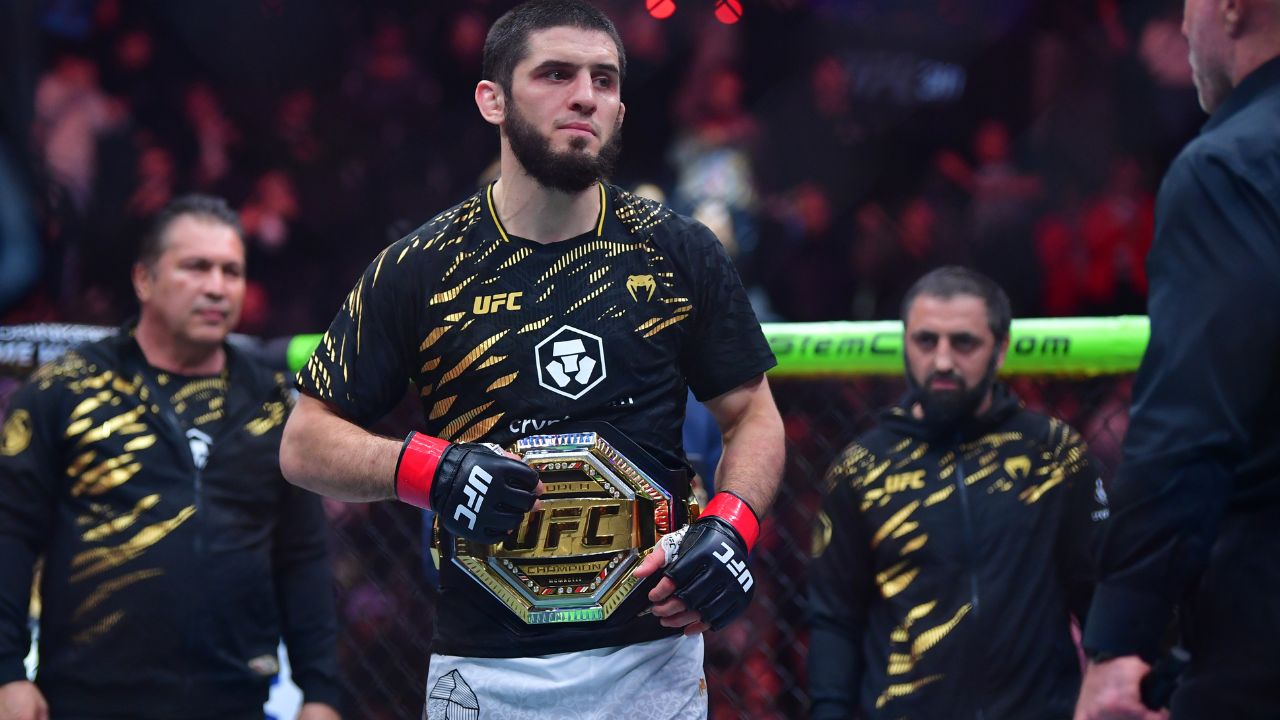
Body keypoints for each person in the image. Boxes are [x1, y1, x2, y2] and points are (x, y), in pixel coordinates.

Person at [278, 2, 784, 718]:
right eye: (555, 73)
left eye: (604, 79)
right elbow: (304, 441)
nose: (585, 95)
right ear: (493, 99)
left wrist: (733, 526)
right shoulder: (421, 266)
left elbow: (751, 415)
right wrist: (429, 469)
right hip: (486, 669)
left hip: (652, 658)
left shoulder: (680, 251)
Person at [0, 195, 342, 720]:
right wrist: (6, 674)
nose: (216, 287)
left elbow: (302, 556)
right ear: (144, 279)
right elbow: (10, 534)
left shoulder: (272, 405)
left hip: (235, 701)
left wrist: (320, 692)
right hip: (85, 698)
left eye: (231, 271)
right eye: (195, 267)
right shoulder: (66, 390)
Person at [1074, 1, 1280, 718]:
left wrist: (1120, 645)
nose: (1182, 26)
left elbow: (1189, 425)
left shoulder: (1236, 163)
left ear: (1230, 7)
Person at [809, 267, 1109, 719]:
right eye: (926, 341)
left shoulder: (1053, 454)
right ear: (906, 342)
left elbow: (1097, 590)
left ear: (1000, 349)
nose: (943, 361)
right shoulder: (861, 467)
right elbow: (835, 616)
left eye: (964, 342)